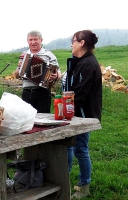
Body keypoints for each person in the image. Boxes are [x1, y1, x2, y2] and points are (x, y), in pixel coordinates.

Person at [64, 30, 102, 199]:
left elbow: (80, 93)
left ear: (82, 42)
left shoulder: (87, 64)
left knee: (81, 150)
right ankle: (66, 180)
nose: (71, 43)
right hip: (76, 113)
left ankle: (84, 186)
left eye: (73, 40)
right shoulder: (81, 62)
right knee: (71, 146)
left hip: (82, 115)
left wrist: (68, 112)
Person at [15, 30, 61, 113]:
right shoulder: (24, 55)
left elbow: (58, 73)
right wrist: (19, 68)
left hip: (42, 93)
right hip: (26, 92)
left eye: (35, 39)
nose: (33, 42)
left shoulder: (49, 55)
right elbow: (17, 75)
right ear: (27, 41)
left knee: (43, 119)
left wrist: (56, 76)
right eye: (30, 40)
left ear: (41, 40)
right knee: (27, 120)